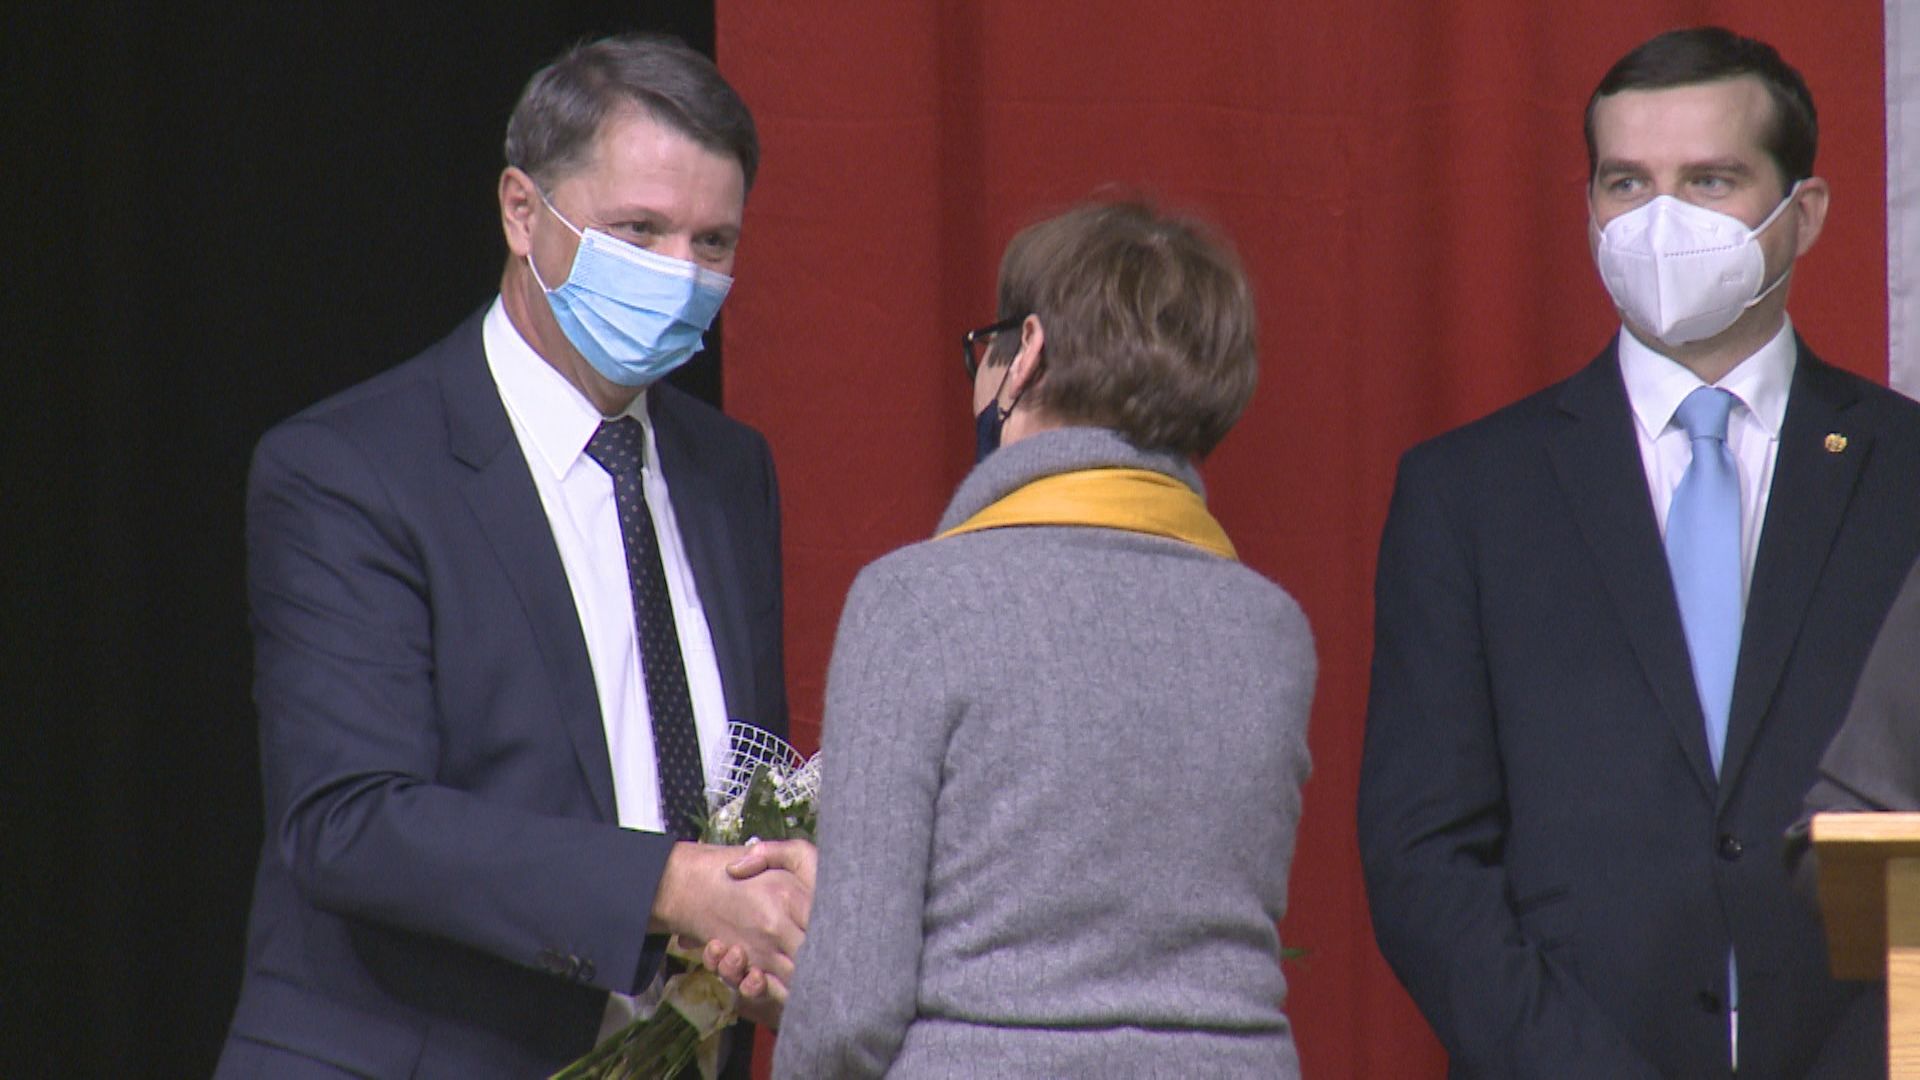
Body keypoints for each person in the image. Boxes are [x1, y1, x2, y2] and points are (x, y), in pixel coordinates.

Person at [214, 35, 805, 1079]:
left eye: (714, 241)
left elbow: (742, 768)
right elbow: (351, 821)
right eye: (639, 230)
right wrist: (669, 887)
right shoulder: (352, 467)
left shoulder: (729, 470)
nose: (680, 275)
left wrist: (760, 917)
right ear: (522, 212)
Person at [1357, 25, 1920, 1079]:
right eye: (1627, 183)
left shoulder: (1907, 474)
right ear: (1589, 210)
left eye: (1709, 180)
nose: (1662, 221)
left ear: (1804, 214)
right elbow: (1425, 857)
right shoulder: (1468, 493)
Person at [724, 201, 1314, 1076]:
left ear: (1027, 350)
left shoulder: (913, 603)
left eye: (987, 348)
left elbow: (851, 1013)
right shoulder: (1273, 630)